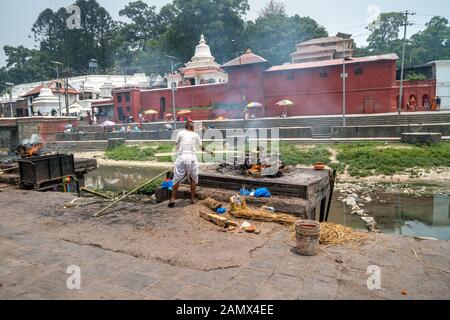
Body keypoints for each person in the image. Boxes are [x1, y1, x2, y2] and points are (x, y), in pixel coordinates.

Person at [168, 121, 210, 207]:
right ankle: (192, 199)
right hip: (191, 158)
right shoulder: (195, 135)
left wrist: (178, 154)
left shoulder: (180, 133)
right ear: (191, 127)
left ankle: (172, 199)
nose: (194, 128)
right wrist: (209, 152)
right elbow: (202, 148)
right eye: (193, 127)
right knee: (193, 178)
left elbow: (176, 145)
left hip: (181, 158)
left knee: (176, 179)